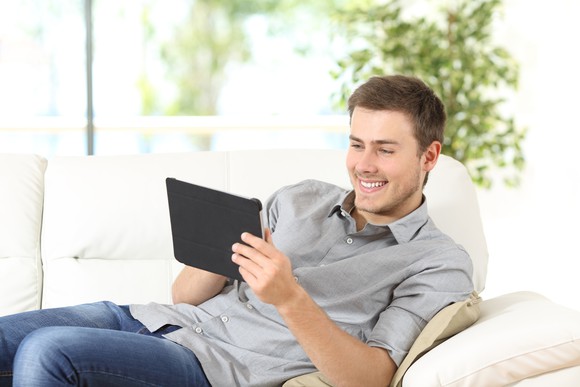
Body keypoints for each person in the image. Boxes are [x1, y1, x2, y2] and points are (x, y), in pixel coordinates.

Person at [0, 75, 473, 387]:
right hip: (158, 321)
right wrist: (221, 251)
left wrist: (289, 297)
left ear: (428, 157)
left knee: (49, 352)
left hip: (217, 366)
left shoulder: (436, 262)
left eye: (385, 150)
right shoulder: (301, 197)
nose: (364, 165)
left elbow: (371, 377)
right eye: (356, 145)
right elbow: (183, 297)